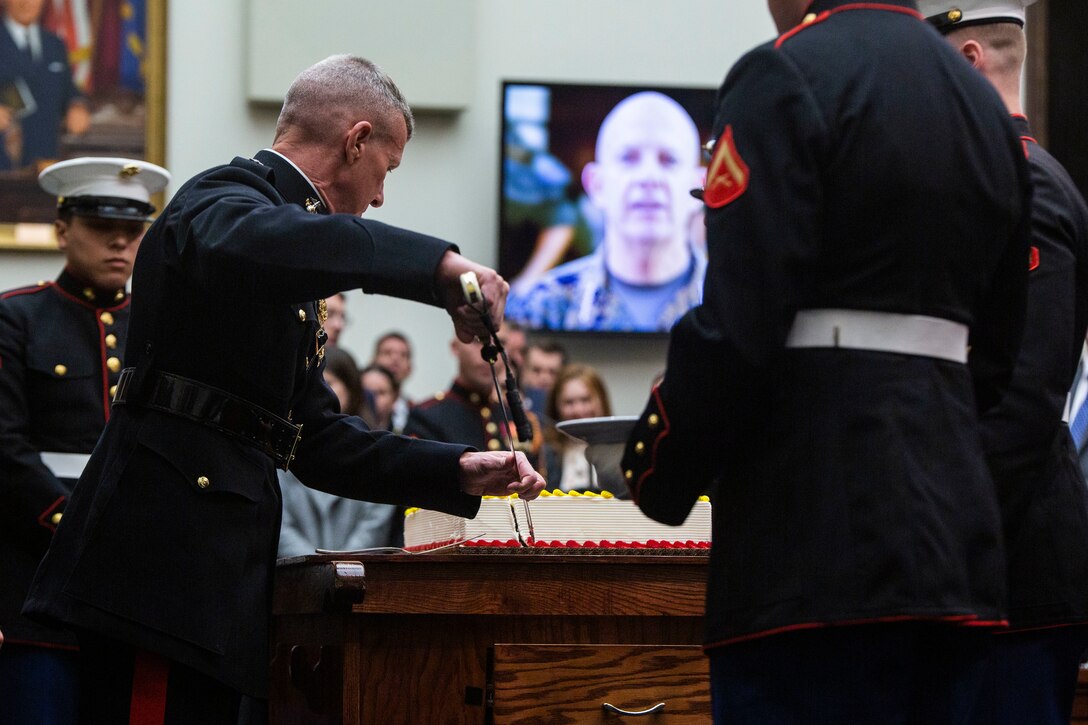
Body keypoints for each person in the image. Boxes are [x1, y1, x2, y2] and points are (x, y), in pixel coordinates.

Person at [22, 55, 545, 724]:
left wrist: (455, 469)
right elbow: (268, 241)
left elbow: (316, 438)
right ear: (355, 142)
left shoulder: (285, 254)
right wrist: (435, 266)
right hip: (158, 576)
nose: (380, 196)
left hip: (209, 584)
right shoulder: (223, 201)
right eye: (384, 171)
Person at [618, 1, 1032, 723]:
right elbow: (997, 356)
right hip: (956, 555)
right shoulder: (980, 103)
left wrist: (657, 467)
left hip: (811, 547)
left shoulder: (782, 73)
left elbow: (738, 325)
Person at [919, 1, 1088, 722]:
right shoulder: (984, 178)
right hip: (979, 570)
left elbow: (1021, 403)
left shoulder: (1028, 185)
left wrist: (926, 526)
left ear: (965, 61)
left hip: (1012, 576)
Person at [0, 156, 169, 724]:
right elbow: (5, 448)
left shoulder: (160, 330)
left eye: (133, 230)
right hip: (35, 580)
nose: (120, 242)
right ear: (62, 228)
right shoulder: (16, 318)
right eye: (102, 227)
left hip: (133, 591)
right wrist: (74, 523)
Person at [505, 91, 707, 332]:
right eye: (628, 158)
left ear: (699, 185)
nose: (649, 177)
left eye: (669, 160)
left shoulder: (735, 303)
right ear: (596, 184)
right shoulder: (539, 307)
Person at [278, 347, 398, 558]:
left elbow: (373, 526)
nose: (318, 392)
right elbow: (281, 526)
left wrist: (341, 567)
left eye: (328, 383)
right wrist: (316, 567)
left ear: (350, 389)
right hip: (292, 577)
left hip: (362, 576)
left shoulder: (373, 447)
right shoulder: (283, 446)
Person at [406, 323, 543, 465]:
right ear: (455, 348)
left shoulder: (518, 419)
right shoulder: (427, 417)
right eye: (478, 340)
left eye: (499, 342)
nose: (489, 351)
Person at [0, 0, 90, 169]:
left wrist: (77, 105)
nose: (26, 3)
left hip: (47, 161)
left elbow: (68, 89)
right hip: (5, 166)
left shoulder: (54, 44)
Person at [541, 364, 617, 493]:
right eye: (569, 402)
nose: (578, 410)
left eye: (585, 400)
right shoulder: (544, 452)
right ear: (556, 407)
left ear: (602, 400)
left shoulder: (620, 448)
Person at [371, 330, 413, 431]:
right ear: (373, 361)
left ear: (410, 368)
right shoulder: (357, 403)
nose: (395, 359)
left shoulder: (416, 412)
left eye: (403, 355)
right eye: (387, 353)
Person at [520, 339, 568, 418]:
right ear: (524, 372)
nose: (544, 378)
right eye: (536, 370)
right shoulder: (507, 406)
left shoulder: (571, 413)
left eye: (552, 372)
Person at [360, 362, 399, 432]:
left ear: (394, 398)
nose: (372, 397)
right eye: (367, 391)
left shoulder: (406, 433)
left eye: (380, 392)